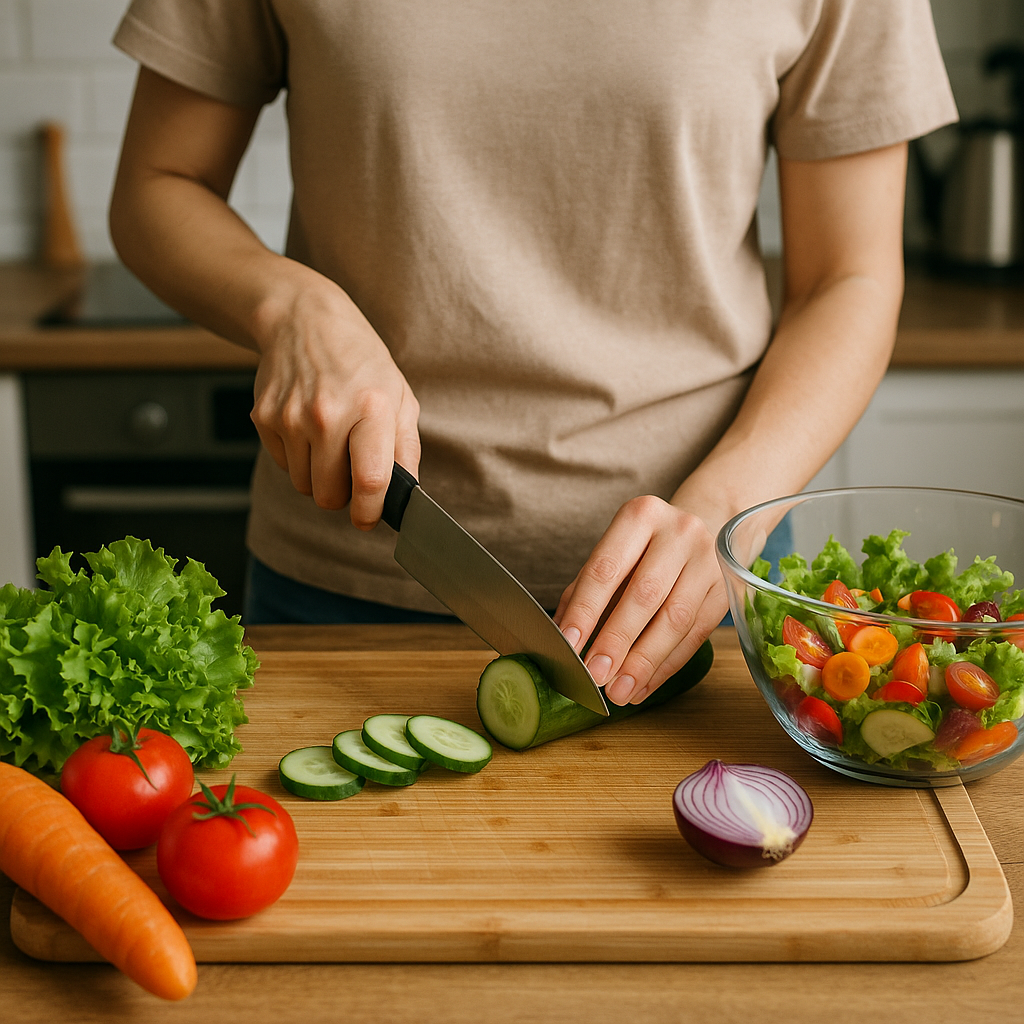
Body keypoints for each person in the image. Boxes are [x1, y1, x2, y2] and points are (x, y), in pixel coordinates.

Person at [108, 0, 957, 706]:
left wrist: (726, 506)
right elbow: (158, 186)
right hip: (340, 581)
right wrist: (293, 305)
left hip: (698, 589)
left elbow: (848, 278)